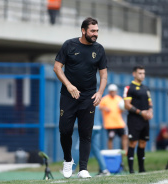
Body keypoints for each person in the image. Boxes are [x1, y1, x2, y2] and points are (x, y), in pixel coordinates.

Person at [53, 17, 108, 179]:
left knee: (86, 133)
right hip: (68, 96)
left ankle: (83, 168)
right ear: (83, 30)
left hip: (88, 97)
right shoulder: (69, 45)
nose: (95, 34)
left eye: (97, 31)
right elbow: (57, 68)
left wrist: (100, 93)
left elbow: (103, 75)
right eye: (92, 31)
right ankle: (68, 160)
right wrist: (69, 86)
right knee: (65, 130)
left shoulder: (99, 49)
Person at [123, 65, 153, 173]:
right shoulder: (129, 88)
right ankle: (131, 169)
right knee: (132, 143)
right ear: (134, 74)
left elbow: (150, 103)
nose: (142, 75)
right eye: (140, 73)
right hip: (134, 120)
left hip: (145, 120)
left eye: (143, 73)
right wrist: (141, 112)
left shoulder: (146, 88)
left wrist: (150, 112)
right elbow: (127, 105)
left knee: (143, 143)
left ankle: (142, 169)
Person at [73, 107, 110, 176]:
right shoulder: (97, 97)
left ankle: (72, 169)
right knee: (96, 150)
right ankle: (104, 170)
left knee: (79, 147)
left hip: (89, 126)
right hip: (97, 127)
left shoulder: (87, 97)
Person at [99, 84, 128, 154]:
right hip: (110, 124)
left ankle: (125, 151)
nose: (113, 92)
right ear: (109, 91)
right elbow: (100, 107)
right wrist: (105, 108)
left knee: (124, 136)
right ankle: (110, 152)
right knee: (111, 138)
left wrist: (123, 109)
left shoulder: (119, 99)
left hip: (119, 123)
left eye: (114, 91)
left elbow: (123, 109)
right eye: (111, 91)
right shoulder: (105, 99)